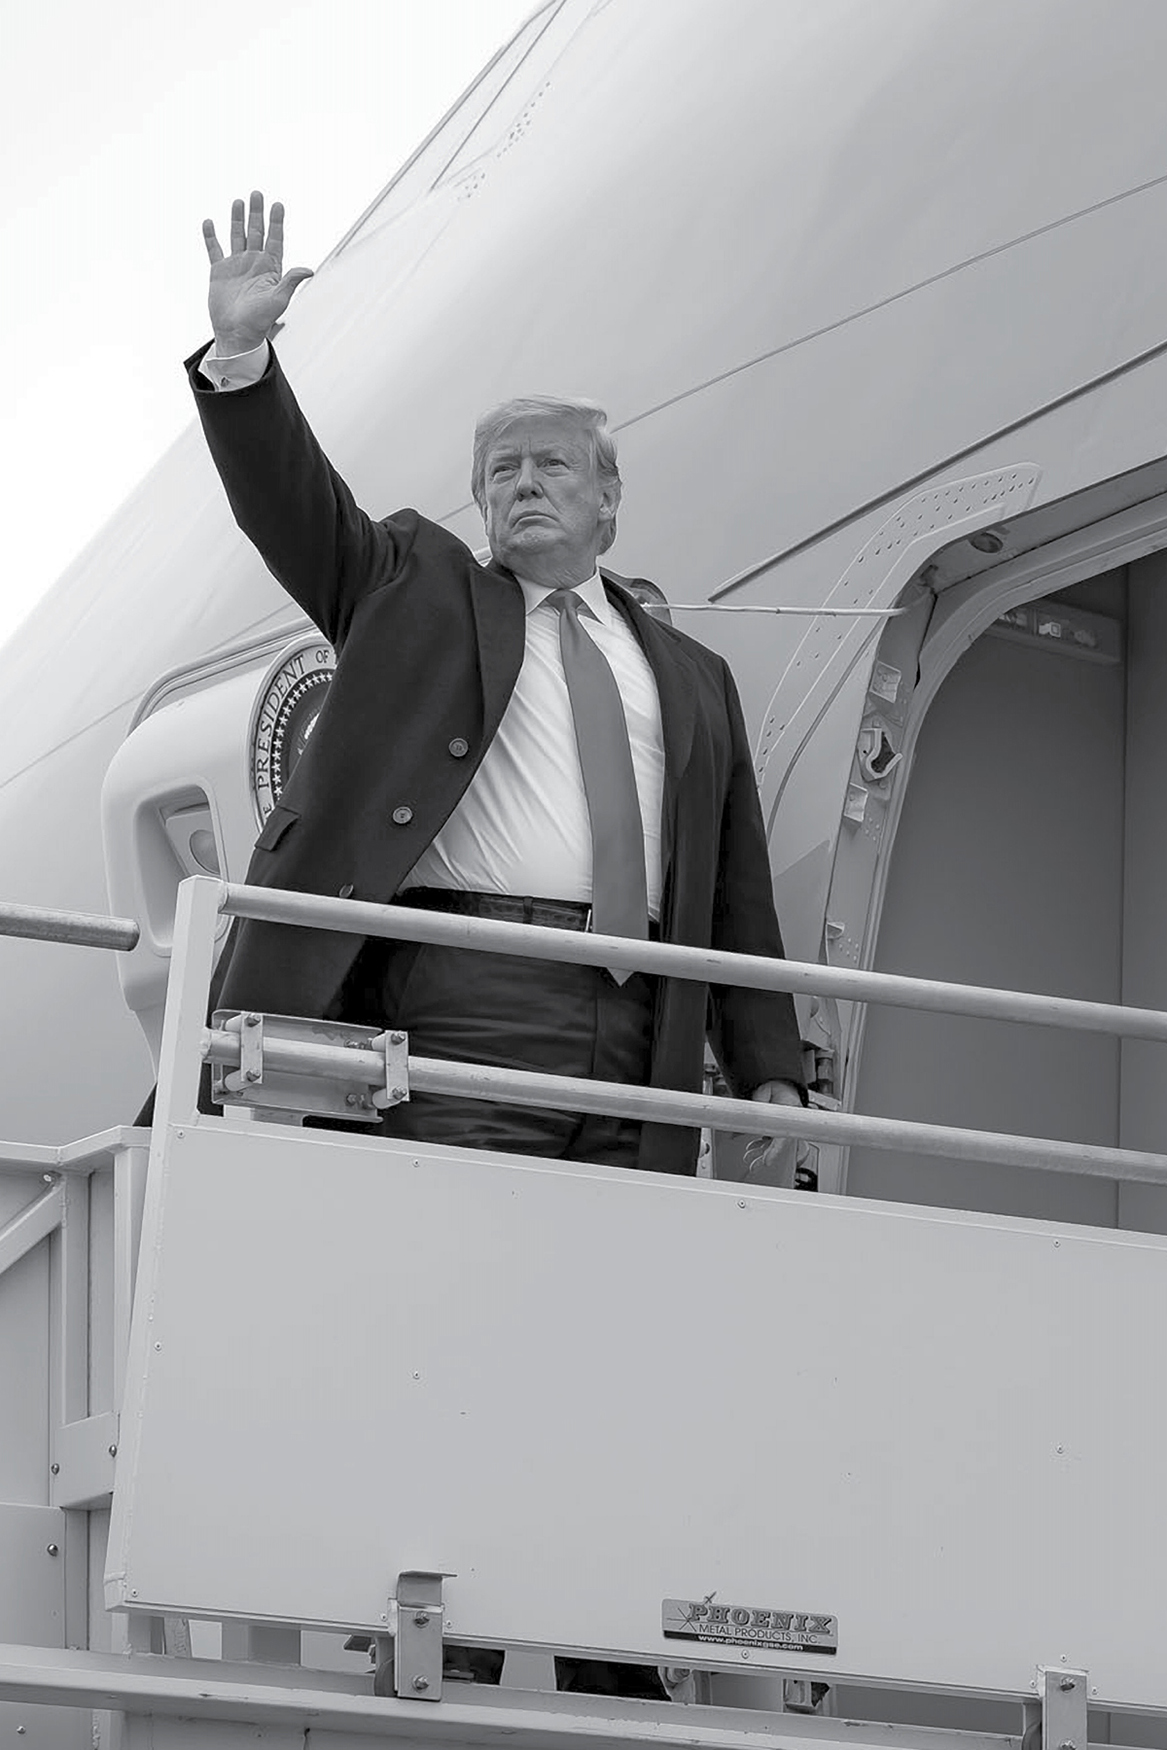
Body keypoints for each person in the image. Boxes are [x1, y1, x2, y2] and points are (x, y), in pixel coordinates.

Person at [192, 191, 806, 1696]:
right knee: (459, 1294)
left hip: (639, 1016)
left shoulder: (693, 675)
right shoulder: (412, 587)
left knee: (616, 1324)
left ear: (611, 500)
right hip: (466, 993)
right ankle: (444, 1608)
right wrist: (243, 361)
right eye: (499, 470)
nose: (522, 487)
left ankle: (608, 1635)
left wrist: (770, 1069)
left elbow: (731, 888)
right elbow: (299, 511)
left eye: (552, 466)